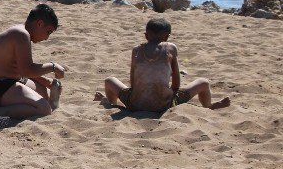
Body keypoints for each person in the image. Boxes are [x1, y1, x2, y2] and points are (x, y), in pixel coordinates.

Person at [96, 17, 230, 112]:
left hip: (135, 104)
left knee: (110, 80)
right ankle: (208, 107)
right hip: (164, 105)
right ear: (167, 37)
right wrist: (169, 93)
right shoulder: (171, 48)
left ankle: (112, 104)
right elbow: (176, 83)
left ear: (146, 36)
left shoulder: (136, 50)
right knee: (203, 82)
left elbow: (133, 82)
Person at [0, 4, 67, 119]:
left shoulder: (23, 33)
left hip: (10, 81)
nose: (46, 38)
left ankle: (11, 106)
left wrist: (45, 81)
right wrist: (53, 66)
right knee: (44, 109)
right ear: (39, 24)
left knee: (46, 97)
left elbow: (20, 69)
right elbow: (27, 70)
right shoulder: (21, 35)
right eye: (48, 32)